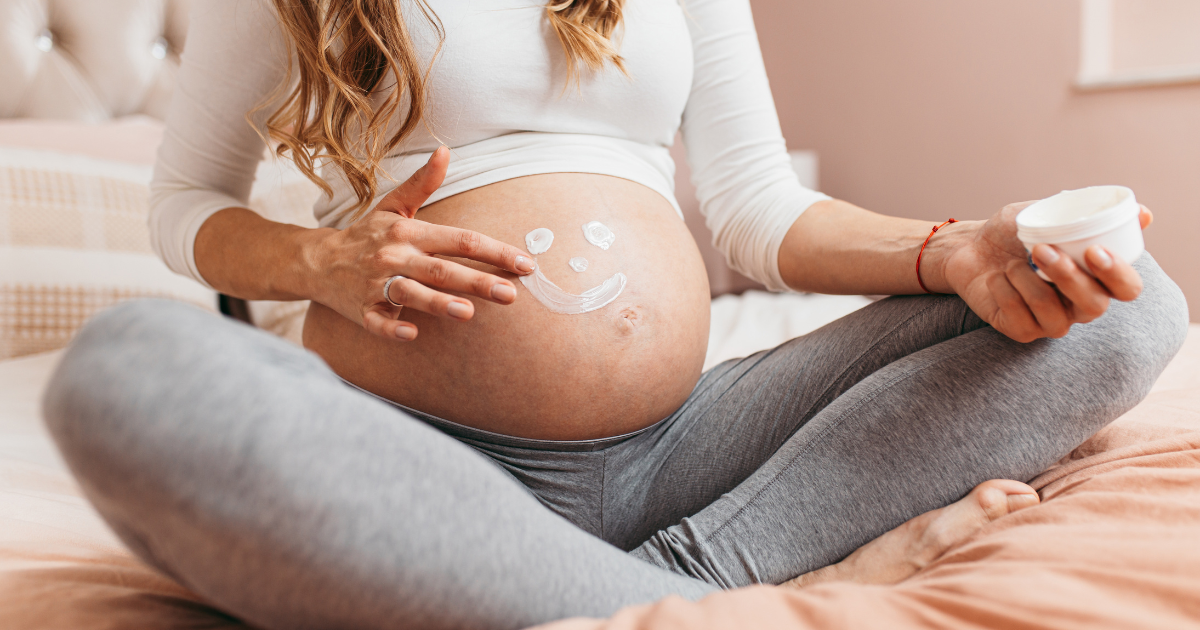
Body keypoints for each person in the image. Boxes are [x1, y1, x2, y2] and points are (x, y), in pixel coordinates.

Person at [43, 0, 1189, 628]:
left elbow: (755, 210)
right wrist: (322, 259)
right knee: (124, 368)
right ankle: (748, 599)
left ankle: (694, 573)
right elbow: (186, 204)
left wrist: (957, 252)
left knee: (1123, 318)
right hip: (427, 459)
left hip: (687, 444)